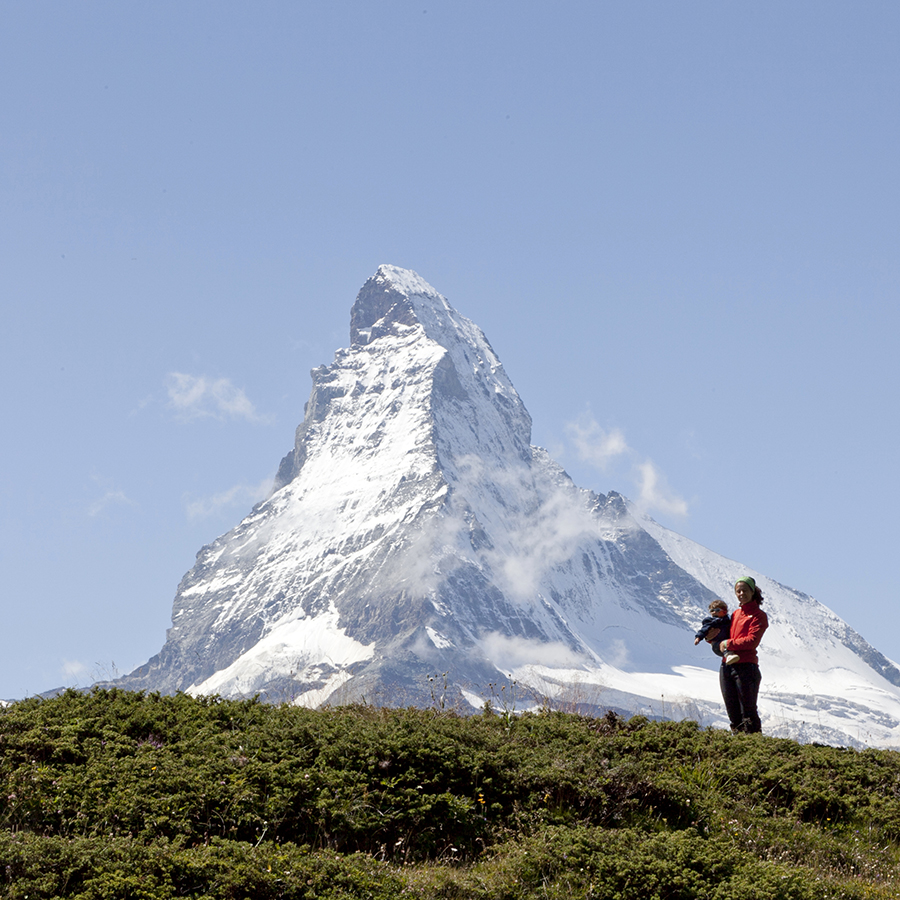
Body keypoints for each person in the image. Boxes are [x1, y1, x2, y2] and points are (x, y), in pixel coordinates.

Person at [718, 575, 769, 734]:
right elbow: (723, 637)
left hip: (746, 667)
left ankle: (754, 748)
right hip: (727, 666)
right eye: (738, 591)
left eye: (744, 590)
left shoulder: (759, 616)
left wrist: (728, 643)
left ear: (753, 592)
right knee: (732, 711)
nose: (741, 594)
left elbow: (752, 641)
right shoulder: (735, 614)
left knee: (748, 711)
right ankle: (739, 746)